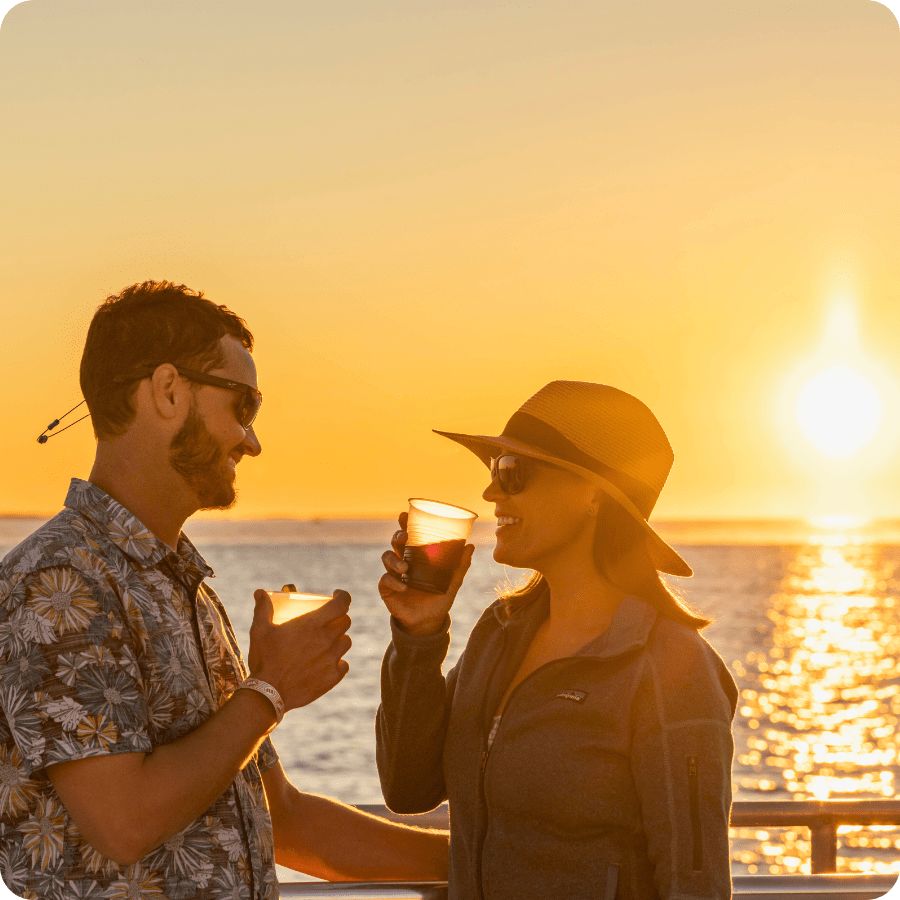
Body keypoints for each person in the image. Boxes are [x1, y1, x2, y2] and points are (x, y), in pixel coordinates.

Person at [0, 281, 448, 900]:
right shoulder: (59, 580)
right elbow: (122, 823)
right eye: (244, 406)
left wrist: (486, 858)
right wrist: (268, 693)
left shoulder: (179, 583)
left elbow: (282, 820)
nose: (252, 440)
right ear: (166, 390)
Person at [376, 380, 738, 900]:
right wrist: (418, 634)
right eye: (494, 469)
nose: (491, 493)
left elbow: (695, 884)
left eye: (511, 472)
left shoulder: (670, 665)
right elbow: (407, 788)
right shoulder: (498, 636)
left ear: (593, 493)